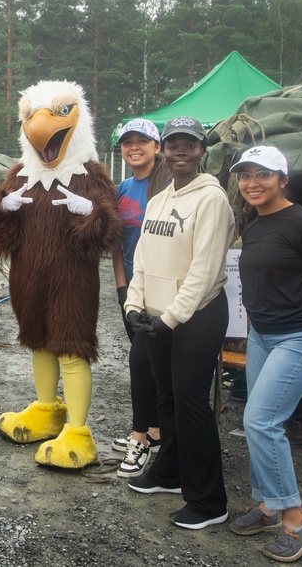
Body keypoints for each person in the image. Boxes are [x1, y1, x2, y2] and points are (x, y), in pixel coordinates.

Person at [227, 146, 302, 562]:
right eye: (245, 175)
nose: (252, 182)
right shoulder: (254, 221)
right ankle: (268, 504)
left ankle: (297, 519)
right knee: (260, 422)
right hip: (264, 334)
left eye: (263, 174)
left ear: (284, 179)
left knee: (261, 421)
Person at [124, 116, 235, 530]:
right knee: (165, 396)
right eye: (173, 145)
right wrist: (135, 305)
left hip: (197, 314)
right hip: (157, 317)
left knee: (190, 402)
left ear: (202, 150)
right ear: (164, 151)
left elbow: (204, 272)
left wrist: (170, 318)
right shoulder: (157, 201)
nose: (180, 152)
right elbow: (143, 260)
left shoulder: (212, 200)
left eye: (189, 144)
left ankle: (209, 501)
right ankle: (169, 472)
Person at [110, 118, 170, 478]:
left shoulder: (169, 186)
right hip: (130, 290)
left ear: (157, 146)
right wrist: (121, 289)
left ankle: (142, 437)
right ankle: (155, 430)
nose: (134, 147)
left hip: (159, 293)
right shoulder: (123, 188)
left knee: (142, 364)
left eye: (142, 141)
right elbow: (118, 245)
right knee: (147, 364)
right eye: (127, 142)